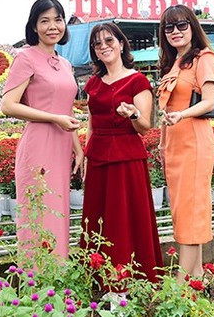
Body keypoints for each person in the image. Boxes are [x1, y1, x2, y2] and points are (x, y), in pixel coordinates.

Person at [80, 22, 163, 288]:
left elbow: (145, 126)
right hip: (98, 157)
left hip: (126, 158)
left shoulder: (137, 80)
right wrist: (85, 155)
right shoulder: (93, 83)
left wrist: (133, 114)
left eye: (109, 41)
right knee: (98, 218)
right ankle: (99, 278)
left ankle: (127, 281)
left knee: (124, 218)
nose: (103, 47)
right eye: (97, 44)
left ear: (121, 43)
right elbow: (91, 123)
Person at [0, 0, 83, 258]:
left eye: (58, 19)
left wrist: (78, 148)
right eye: (44, 21)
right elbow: (8, 105)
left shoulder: (65, 63)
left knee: (58, 212)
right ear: (34, 27)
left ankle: (57, 276)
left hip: (62, 146)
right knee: (38, 213)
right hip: (39, 145)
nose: (52, 26)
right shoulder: (25, 58)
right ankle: (35, 278)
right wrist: (53, 118)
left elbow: (67, 108)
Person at [156, 5, 214, 281]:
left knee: (191, 211)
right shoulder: (174, 63)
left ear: (193, 27)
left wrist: (182, 114)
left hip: (194, 140)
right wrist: (162, 144)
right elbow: (165, 110)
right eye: (169, 27)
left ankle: (181, 287)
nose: (175, 32)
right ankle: (197, 278)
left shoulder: (204, 58)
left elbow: (209, 102)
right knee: (184, 211)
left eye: (182, 25)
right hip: (174, 143)